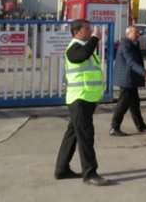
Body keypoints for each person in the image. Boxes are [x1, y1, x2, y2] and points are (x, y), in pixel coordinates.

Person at [54, 19, 112, 186]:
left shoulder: (83, 47)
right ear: (77, 32)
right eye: (87, 29)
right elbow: (82, 55)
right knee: (86, 136)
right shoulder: (74, 48)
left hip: (85, 98)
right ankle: (90, 173)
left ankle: (61, 169)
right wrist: (95, 39)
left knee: (72, 135)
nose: (91, 31)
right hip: (79, 99)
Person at [110, 26, 146, 136]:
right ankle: (114, 127)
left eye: (138, 32)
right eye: (136, 32)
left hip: (130, 79)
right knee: (122, 104)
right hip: (126, 79)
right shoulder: (125, 45)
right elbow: (131, 62)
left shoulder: (131, 43)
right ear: (128, 34)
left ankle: (140, 125)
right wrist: (144, 73)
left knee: (134, 103)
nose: (138, 34)